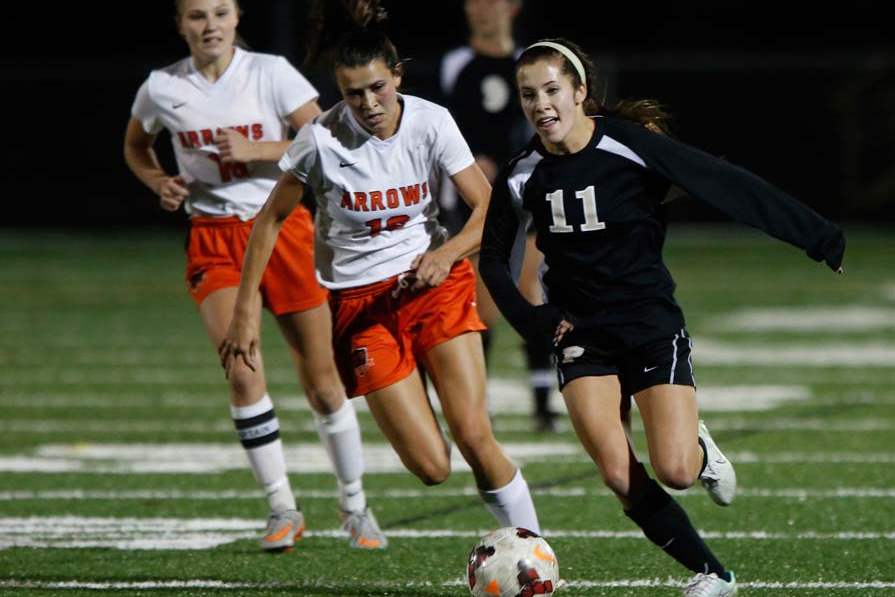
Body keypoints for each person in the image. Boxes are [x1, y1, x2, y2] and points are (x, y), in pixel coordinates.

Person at [479, 38, 846, 596]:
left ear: (580, 93)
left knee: (675, 470)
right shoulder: (521, 172)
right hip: (582, 335)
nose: (541, 104)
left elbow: (728, 184)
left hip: (649, 323)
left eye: (553, 90)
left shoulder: (630, 146)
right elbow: (492, 260)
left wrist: (818, 236)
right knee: (619, 473)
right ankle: (714, 575)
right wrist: (534, 321)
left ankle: (695, 445)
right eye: (529, 95)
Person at [219, 2, 541, 536]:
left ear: (397, 75)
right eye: (352, 93)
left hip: (434, 288)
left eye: (377, 88)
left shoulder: (431, 121)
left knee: (475, 436)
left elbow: (491, 210)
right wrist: (245, 315)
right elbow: (269, 223)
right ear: (340, 92)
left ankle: (536, 558)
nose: (368, 103)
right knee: (433, 468)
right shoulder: (319, 140)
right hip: (360, 308)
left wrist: (445, 254)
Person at [123, 0, 386, 552]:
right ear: (180, 25)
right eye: (197, 15)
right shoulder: (161, 87)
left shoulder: (269, 72)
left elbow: (327, 137)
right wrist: (157, 183)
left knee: (322, 379)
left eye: (220, 12)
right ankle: (281, 507)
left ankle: (355, 504)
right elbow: (136, 145)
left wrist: (257, 149)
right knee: (241, 369)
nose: (210, 25)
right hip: (213, 238)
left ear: (238, 18)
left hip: (282, 231)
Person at [437, 0, 558, 432]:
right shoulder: (455, 65)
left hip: (525, 196)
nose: (483, 10)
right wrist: (468, 166)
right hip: (475, 202)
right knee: (484, 304)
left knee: (532, 291)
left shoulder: (528, 65)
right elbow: (438, 130)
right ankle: (478, 405)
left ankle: (544, 403)